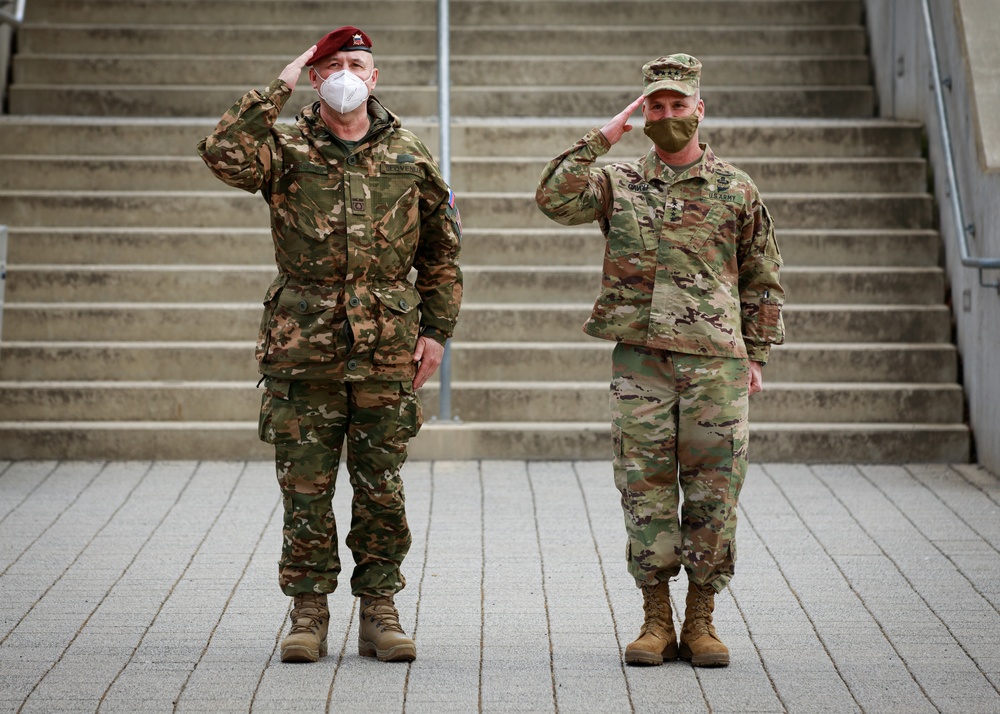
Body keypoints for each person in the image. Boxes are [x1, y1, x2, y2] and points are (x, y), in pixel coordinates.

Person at [197, 26, 463, 664]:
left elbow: (442, 251)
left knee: (381, 487)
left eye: (357, 63)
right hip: (302, 346)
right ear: (316, 79)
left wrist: (436, 332)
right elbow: (222, 153)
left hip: (385, 347)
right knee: (306, 488)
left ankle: (380, 610)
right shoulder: (283, 148)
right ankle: (308, 612)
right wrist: (278, 84)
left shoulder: (410, 152)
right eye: (332, 65)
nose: (346, 73)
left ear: (375, 76)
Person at [535, 54, 784, 668]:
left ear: (700, 108)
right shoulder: (617, 181)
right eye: (656, 106)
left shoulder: (736, 187)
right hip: (642, 365)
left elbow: (762, 276)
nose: (668, 115)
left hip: (716, 366)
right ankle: (654, 619)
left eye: (678, 105)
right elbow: (552, 197)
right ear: (643, 111)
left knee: (713, 494)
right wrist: (606, 134)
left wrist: (757, 354)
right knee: (643, 492)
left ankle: (701, 620)